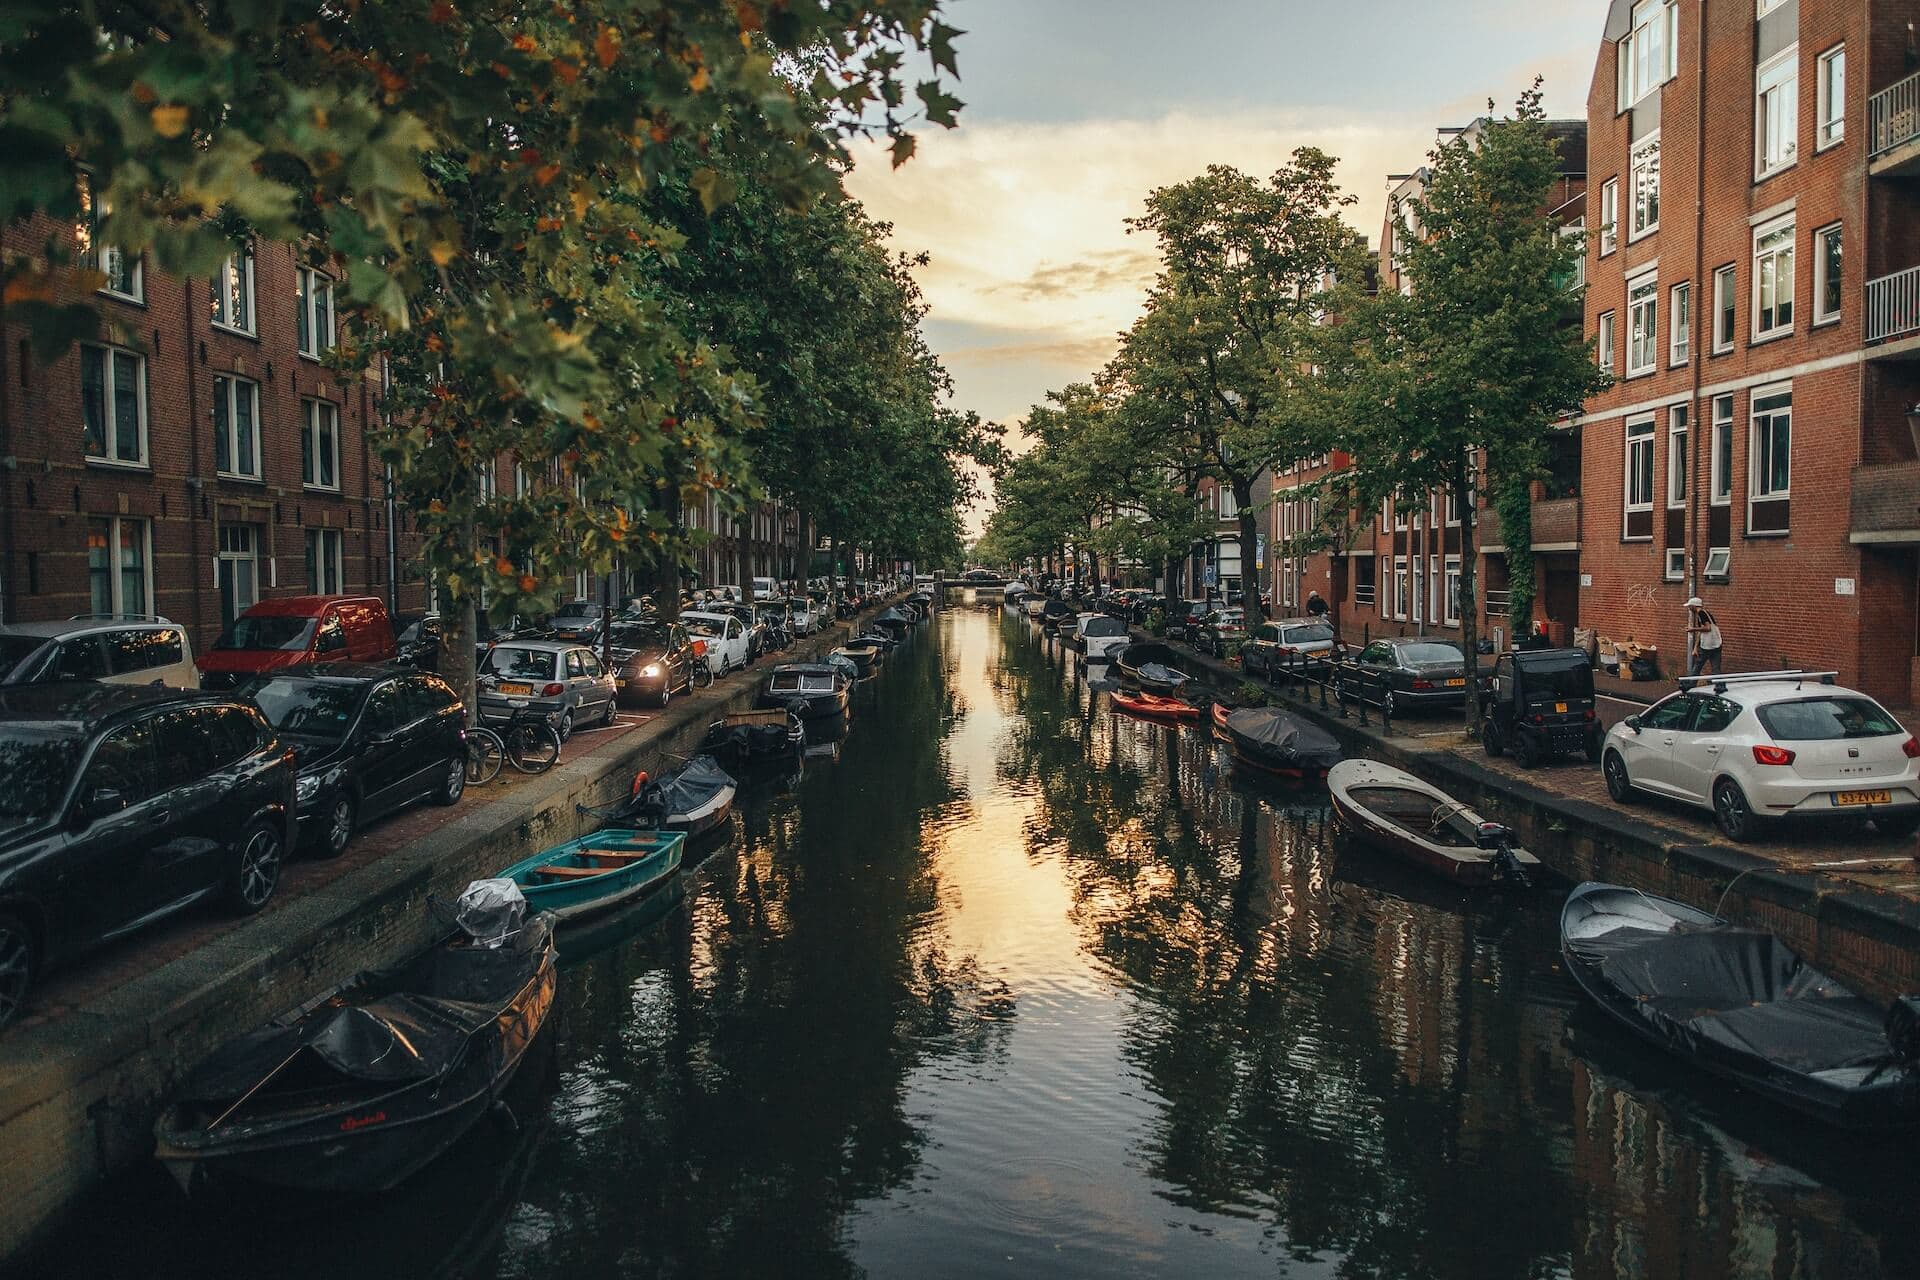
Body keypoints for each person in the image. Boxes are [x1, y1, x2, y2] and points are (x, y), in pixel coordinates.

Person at [1685, 597, 1723, 676]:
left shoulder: (1701, 614)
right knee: (1716, 668)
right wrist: (1695, 647)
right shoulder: (1705, 613)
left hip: (1707, 646)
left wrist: (1693, 629)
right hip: (1716, 644)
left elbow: (1707, 628)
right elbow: (1701, 631)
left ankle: (1690, 684)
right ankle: (1720, 686)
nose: (1689, 608)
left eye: (1690, 606)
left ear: (1694, 606)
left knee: (1698, 665)